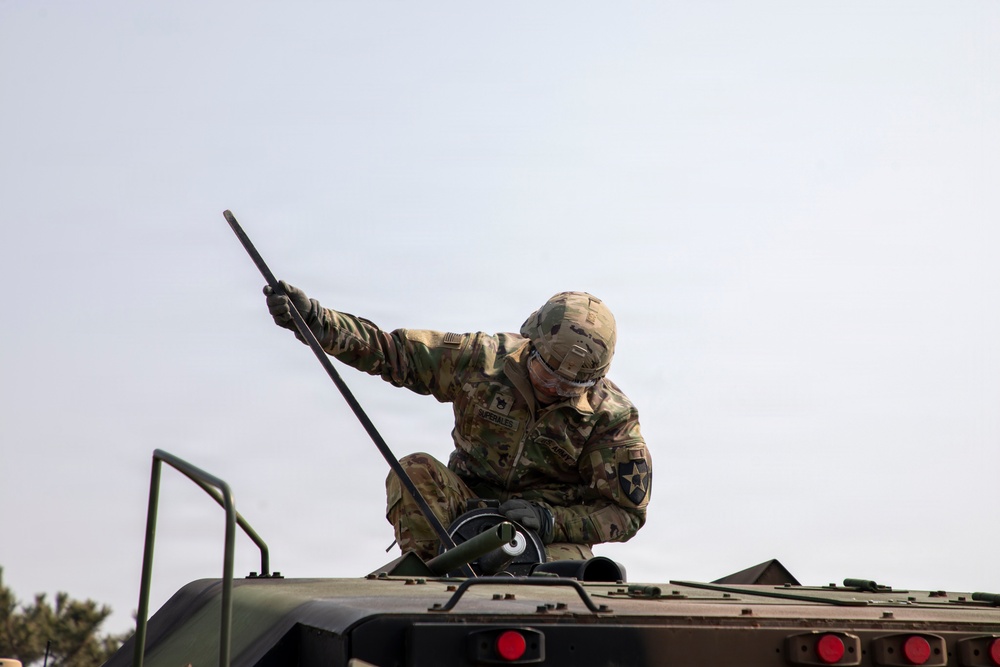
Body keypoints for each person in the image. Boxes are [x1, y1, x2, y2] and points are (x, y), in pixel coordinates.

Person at [265, 284, 651, 561]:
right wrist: (315, 321)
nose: (553, 387)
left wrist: (551, 521)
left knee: (562, 584)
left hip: (547, 541)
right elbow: (392, 352)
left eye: (570, 385)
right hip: (462, 514)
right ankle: (431, 578)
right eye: (546, 372)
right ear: (529, 343)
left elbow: (626, 513)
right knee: (413, 470)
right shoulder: (481, 360)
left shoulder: (611, 420)